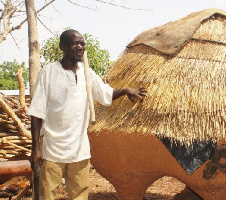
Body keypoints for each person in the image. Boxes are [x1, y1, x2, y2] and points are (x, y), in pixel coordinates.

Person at [27, 29, 147, 200]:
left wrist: (126, 90)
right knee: (47, 195)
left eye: (82, 44)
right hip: (52, 149)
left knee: (80, 195)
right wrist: (35, 150)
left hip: (79, 149)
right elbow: (36, 113)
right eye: (75, 43)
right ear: (62, 46)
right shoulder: (49, 73)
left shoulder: (87, 73)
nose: (80, 47)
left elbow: (105, 94)